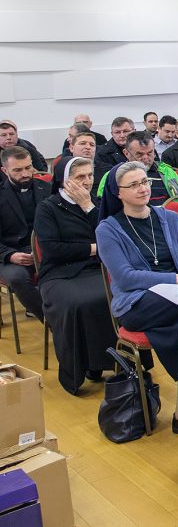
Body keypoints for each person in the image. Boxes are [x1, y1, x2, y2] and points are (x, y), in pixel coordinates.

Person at [96, 162, 178, 381]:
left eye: (145, 181)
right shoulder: (107, 230)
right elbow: (126, 278)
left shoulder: (170, 217)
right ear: (118, 193)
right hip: (137, 303)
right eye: (133, 185)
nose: (143, 188)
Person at [34, 157, 115, 395]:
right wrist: (93, 248)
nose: (87, 181)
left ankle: (113, 362)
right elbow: (52, 250)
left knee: (115, 295)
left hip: (96, 268)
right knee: (78, 304)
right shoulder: (48, 208)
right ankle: (80, 369)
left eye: (90, 175)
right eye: (80, 177)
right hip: (61, 273)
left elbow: (110, 235)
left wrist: (89, 207)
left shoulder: (96, 204)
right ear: (63, 180)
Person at [0, 147, 50, 321]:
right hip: (12, 253)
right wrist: (11, 255)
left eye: (28, 167)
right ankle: (52, 321)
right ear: (5, 171)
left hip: (46, 249)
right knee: (17, 279)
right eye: (18, 170)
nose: (25, 174)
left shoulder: (47, 188)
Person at [95, 131, 178, 207]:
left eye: (150, 153)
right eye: (139, 154)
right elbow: (104, 208)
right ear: (126, 153)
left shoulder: (167, 172)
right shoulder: (113, 176)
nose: (146, 158)